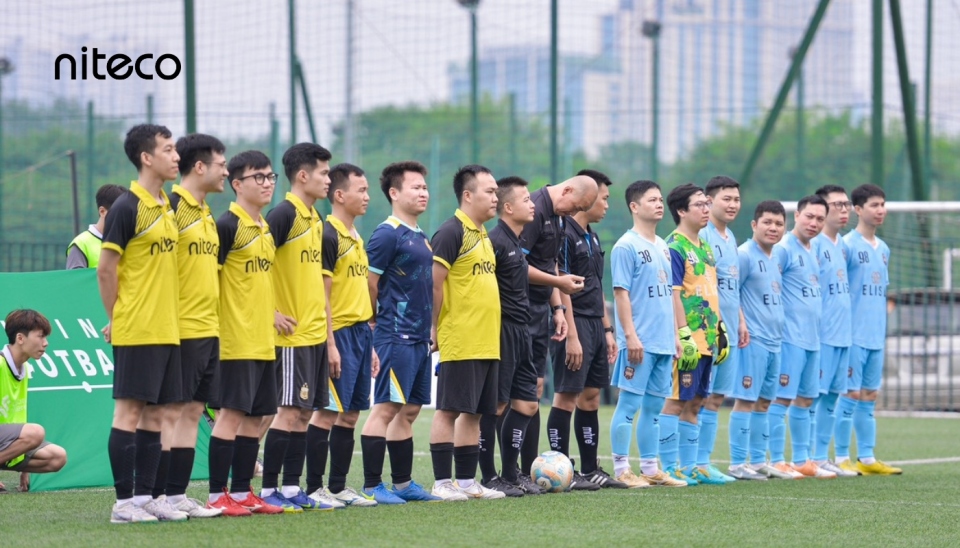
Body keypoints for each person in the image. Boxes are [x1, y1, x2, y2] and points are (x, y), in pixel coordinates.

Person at [98, 124, 188, 523]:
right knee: (129, 414)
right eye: (168, 150)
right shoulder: (126, 207)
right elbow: (105, 269)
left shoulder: (166, 204)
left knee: (156, 415)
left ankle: (147, 497)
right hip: (138, 327)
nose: (176, 157)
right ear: (146, 158)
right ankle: (123, 505)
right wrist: (115, 319)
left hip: (168, 328)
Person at [204, 150, 284, 517]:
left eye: (271, 177)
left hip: (264, 342)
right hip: (234, 341)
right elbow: (211, 282)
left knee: (257, 418)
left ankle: (241, 492)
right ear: (237, 184)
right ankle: (216, 495)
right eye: (259, 177)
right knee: (231, 416)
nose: (267, 183)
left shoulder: (264, 227)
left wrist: (272, 314)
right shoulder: (227, 225)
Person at [358, 161, 441, 503]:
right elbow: (369, 282)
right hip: (394, 336)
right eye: (415, 187)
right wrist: (373, 320)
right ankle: (372, 486)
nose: (423, 192)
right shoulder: (386, 233)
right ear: (394, 193)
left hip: (419, 339)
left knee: (409, 411)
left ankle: (404, 484)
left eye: (424, 187)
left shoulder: (419, 235)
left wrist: (432, 328)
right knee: (386, 409)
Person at [156, 133, 230, 518]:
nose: (227, 172)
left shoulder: (206, 215)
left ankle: (176, 495)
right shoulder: (171, 207)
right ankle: (154, 497)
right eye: (221, 165)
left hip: (209, 329)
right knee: (170, 413)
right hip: (179, 329)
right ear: (199, 167)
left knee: (193, 412)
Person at [258, 143, 334, 512]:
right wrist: (269, 311)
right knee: (287, 412)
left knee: (304, 413)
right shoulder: (283, 214)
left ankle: (291, 488)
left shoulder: (315, 218)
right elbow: (255, 265)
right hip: (290, 336)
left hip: (315, 334)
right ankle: (269, 488)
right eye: (323, 173)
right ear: (303, 175)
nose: (328, 179)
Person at [428, 165, 505, 501]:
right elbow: (434, 284)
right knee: (449, 409)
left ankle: (466, 481)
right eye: (489, 191)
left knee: (474, 413)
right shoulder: (450, 232)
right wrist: (433, 328)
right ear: (468, 195)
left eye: (497, 192)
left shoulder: (483, 234)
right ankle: (442, 482)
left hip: (488, 341)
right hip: (461, 338)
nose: (496, 197)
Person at [315, 163, 389, 506]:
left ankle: (338, 486)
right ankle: (313, 486)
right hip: (338, 335)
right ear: (339, 194)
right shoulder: (327, 235)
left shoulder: (356, 236)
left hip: (361, 334)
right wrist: (330, 343)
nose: (367, 197)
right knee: (328, 412)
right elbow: (323, 296)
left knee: (351, 414)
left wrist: (370, 343)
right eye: (361, 190)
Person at [548, 169, 624, 488]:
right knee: (567, 396)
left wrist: (608, 330)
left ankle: (591, 468)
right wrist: (574, 336)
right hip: (573, 325)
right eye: (602, 198)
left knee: (591, 397)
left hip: (595, 323)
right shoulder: (563, 233)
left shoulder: (592, 235)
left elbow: (596, 285)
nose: (605, 204)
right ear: (586, 198)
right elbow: (562, 282)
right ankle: (560, 469)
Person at [608, 181, 686, 488]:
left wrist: (676, 337)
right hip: (639, 342)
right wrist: (630, 336)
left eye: (659, 199)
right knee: (629, 405)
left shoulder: (663, 246)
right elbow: (621, 294)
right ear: (634, 206)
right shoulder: (625, 246)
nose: (659, 204)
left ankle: (651, 468)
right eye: (651, 199)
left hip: (663, 342)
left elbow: (668, 296)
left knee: (654, 408)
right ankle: (621, 469)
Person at [523, 173, 598, 485]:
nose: (572, 213)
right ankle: (500, 473)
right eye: (574, 206)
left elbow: (550, 265)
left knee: (535, 392)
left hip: (543, 312)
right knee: (513, 398)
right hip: (519, 314)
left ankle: (524, 470)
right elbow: (518, 265)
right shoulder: (536, 210)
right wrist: (558, 284)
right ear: (566, 190)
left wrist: (558, 309)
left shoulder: (557, 217)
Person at [479, 175, 541, 497]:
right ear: (508, 206)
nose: (532, 204)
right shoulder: (494, 241)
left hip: (523, 331)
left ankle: (510, 473)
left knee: (528, 404)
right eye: (526, 199)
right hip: (502, 331)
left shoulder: (516, 241)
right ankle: (490, 476)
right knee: (497, 404)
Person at [660, 183, 725, 486]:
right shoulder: (674, 246)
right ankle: (667, 466)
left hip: (708, 339)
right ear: (681, 211)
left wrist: (720, 328)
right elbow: (673, 294)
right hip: (687, 342)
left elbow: (711, 292)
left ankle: (689, 466)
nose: (705, 209)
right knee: (675, 400)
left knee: (696, 401)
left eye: (706, 204)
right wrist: (682, 333)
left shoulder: (706, 247)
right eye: (699, 204)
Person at [770, 195, 836, 479]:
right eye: (809, 216)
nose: (814, 223)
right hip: (790, 337)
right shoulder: (784, 248)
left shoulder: (813, 251)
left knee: (806, 399)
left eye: (820, 219)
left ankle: (801, 460)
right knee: (782, 399)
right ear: (796, 215)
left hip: (812, 339)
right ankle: (775, 460)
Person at [837, 184, 901, 475]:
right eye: (874, 205)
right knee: (849, 395)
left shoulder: (884, 248)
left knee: (870, 397)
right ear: (857, 209)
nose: (880, 210)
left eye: (883, 204)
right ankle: (840, 457)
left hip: (876, 335)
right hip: (852, 335)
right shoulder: (846, 245)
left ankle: (867, 457)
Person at [727, 201, 790, 481]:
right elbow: (731, 293)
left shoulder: (778, 257)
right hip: (752, 340)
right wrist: (741, 323)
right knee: (745, 401)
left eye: (778, 223)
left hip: (776, 340)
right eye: (767, 222)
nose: (773, 228)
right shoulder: (743, 255)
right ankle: (737, 464)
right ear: (754, 225)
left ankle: (757, 461)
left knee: (765, 403)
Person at [697, 176, 746, 483]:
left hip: (728, 331)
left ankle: (703, 462)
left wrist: (739, 320)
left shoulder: (731, 239)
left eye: (736, 200)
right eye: (726, 199)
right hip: (707, 330)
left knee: (716, 397)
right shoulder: (701, 236)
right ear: (709, 201)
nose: (732, 205)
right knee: (696, 398)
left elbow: (732, 288)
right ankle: (684, 462)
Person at [811, 185, 858, 477]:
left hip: (843, 334)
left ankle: (822, 456)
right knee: (814, 396)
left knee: (832, 397)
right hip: (822, 333)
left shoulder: (843, 245)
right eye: (836, 205)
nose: (843, 210)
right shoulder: (813, 244)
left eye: (846, 204)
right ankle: (810, 457)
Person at [0, 310, 67, 493]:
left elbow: (17, 413)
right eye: (40, 336)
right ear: (20, 338)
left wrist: (24, 467)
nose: (45, 343)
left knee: (57, 457)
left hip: (5, 441)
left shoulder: (25, 368)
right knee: (35, 432)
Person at [66, 184, 127, 269]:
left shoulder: (131, 243)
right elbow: (76, 281)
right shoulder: (81, 244)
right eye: (119, 213)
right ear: (102, 211)